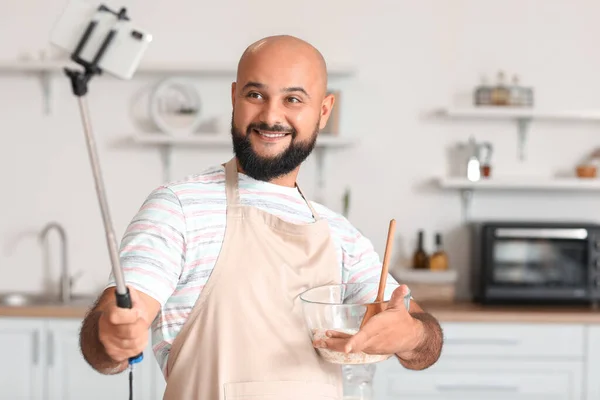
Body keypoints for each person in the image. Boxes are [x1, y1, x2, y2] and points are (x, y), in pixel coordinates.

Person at [79, 35, 443, 399]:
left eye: (293, 99)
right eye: (255, 95)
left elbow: (425, 344)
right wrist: (113, 336)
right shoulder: (179, 208)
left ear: (323, 110)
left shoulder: (339, 236)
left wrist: (410, 334)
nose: (270, 116)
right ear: (234, 97)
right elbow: (112, 331)